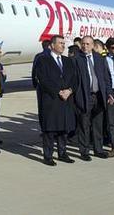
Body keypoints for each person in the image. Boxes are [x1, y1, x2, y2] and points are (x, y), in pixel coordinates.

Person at [34, 35, 78, 166]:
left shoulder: (68, 61)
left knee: (64, 129)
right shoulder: (43, 60)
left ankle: (62, 153)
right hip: (51, 99)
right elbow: (42, 79)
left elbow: (75, 79)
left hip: (66, 100)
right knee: (50, 130)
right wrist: (58, 91)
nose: (63, 46)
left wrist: (69, 90)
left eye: (64, 43)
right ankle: (48, 156)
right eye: (60, 43)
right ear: (52, 45)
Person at [73, 36, 111, 160]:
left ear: (93, 45)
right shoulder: (76, 60)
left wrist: (108, 93)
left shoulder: (99, 58)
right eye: (83, 44)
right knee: (84, 125)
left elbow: (106, 77)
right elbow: (73, 81)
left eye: (87, 44)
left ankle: (98, 149)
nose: (85, 46)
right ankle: (84, 151)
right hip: (85, 96)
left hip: (98, 96)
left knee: (98, 124)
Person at [32, 39, 51, 130]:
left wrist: (35, 84)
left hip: (41, 87)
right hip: (51, 87)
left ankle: (43, 128)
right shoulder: (53, 55)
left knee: (42, 108)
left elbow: (34, 71)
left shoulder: (38, 56)